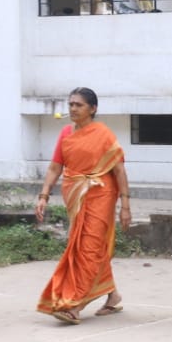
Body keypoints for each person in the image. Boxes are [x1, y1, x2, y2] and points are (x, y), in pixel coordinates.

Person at [35, 87, 129, 324]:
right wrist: (44, 195)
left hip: (100, 194)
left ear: (92, 108)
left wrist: (125, 204)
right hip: (75, 196)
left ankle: (75, 304)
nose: (73, 109)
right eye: (71, 105)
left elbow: (118, 169)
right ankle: (112, 295)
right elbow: (56, 167)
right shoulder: (66, 133)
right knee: (85, 247)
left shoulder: (104, 134)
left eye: (79, 105)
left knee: (88, 248)